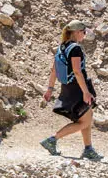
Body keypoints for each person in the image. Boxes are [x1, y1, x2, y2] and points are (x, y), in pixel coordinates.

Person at [40, 20, 103, 161]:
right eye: (84, 32)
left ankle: (88, 149)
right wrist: (86, 92)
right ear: (77, 32)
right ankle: (52, 139)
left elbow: (54, 70)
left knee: (87, 116)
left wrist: (50, 89)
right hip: (78, 88)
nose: (84, 35)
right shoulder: (75, 48)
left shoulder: (62, 47)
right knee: (85, 122)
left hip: (68, 87)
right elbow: (77, 71)